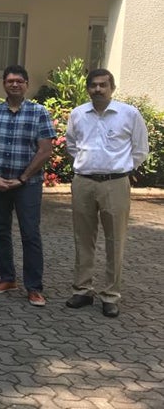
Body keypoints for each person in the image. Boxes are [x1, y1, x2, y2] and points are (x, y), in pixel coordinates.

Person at [65, 68, 149, 318]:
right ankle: (83, 290)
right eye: (93, 85)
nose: (98, 89)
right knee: (83, 238)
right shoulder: (78, 114)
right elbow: (72, 146)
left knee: (115, 241)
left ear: (112, 88)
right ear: (87, 88)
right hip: (84, 182)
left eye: (103, 85)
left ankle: (110, 295)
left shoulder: (129, 114)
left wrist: (119, 168)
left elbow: (140, 149)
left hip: (115, 183)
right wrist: (90, 166)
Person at [0, 65, 55, 307]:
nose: (14, 84)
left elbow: (45, 150)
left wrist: (22, 178)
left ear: (26, 84)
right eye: (10, 81)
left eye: (19, 81)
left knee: (30, 234)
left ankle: (34, 287)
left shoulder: (38, 112)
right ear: (4, 84)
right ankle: (7, 278)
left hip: (27, 185)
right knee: (1, 232)